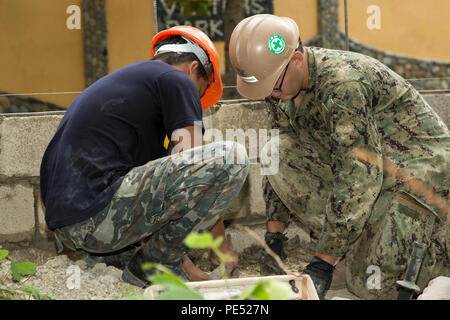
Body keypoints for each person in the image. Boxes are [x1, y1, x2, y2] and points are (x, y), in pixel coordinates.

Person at [229, 14, 449, 299]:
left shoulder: (344, 84)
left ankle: (355, 252)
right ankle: (351, 248)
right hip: (376, 168)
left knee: (372, 287)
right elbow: (276, 165)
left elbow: (358, 177)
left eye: (273, 85)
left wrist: (322, 262)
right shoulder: (282, 90)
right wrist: (274, 241)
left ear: (296, 59)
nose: (271, 94)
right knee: (277, 149)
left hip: (421, 175)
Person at [40, 26, 249, 288]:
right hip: (97, 213)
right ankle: (158, 267)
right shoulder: (177, 79)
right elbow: (198, 166)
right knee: (231, 157)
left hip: (73, 225)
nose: (194, 103)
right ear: (194, 68)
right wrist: (218, 250)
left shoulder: (130, 87)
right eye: (199, 92)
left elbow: (161, 198)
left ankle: (138, 264)